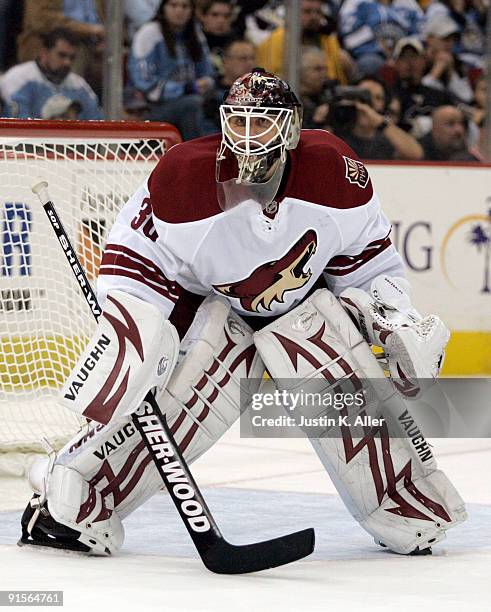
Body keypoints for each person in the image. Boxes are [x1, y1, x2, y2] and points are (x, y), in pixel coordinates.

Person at [19, 68, 466, 560]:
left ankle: (400, 502)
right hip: (208, 306)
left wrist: (392, 317)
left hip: (300, 309)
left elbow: (367, 263)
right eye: (240, 121)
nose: (250, 136)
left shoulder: (335, 171)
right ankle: (71, 495)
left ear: (291, 128)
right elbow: (136, 256)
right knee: (182, 405)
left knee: (324, 349)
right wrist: (139, 329)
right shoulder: (184, 176)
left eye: (264, 122)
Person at [128, 0, 215, 141]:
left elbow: (207, 72)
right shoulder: (149, 33)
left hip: (191, 97)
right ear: (163, 8)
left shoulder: (194, 32)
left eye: (185, 6)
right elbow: (144, 84)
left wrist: (207, 82)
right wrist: (186, 88)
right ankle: (194, 154)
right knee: (192, 103)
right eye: (174, 5)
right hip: (150, 108)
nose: (179, 11)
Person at [0, 28, 102, 120]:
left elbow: (97, 122)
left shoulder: (79, 85)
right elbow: (18, 124)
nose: (67, 62)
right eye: (62, 55)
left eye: (72, 58)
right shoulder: (19, 77)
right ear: (44, 52)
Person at [255, 0, 353, 84]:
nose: (314, 17)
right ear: (293, 14)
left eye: (318, 12)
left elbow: (335, 77)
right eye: (307, 12)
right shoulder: (276, 40)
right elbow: (272, 77)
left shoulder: (328, 40)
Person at [333, 76, 424, 160]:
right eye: (364, 96)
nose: (370, 102)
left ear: (384, 105)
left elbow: (416, 154)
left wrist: (381, 122)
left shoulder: (388, 139)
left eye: (378, 98)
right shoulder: (337, 134)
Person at [202, 38, 256, 132]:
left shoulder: (262, 92)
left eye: (252, 58)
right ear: (225, 61)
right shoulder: (210, 97)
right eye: (243, 59)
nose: (250, 63)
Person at [197, 0, 237, 74]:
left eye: (226, 16)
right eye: (215, 15)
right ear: (202, 16)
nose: (221, 20)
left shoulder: (237, 44)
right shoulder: (194, 41)